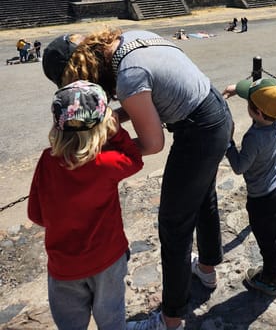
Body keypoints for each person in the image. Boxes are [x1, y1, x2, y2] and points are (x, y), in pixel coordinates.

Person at [42, 29, 233, 330]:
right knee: (203, 195)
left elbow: (153, 143)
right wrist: (114, 116)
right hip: (214, 112)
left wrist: (98, 157)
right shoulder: (130, 40)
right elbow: (147, 96)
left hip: (198, 132)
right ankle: (207, 269)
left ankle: (172, 317)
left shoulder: (129, 76)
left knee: (173, 224)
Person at [28, 80, 145, 330]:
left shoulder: (48, 161)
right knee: (112, 317)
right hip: (108, 258)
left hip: (64, 266)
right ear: (104, 124)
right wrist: (118, 134)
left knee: (70, 324)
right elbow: (136, 161)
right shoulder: (107, 163)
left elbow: (36, 215)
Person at [222, 77, 276, 296]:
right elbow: (266, 100)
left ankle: (269, 280)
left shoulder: (254, 137)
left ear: (259, 114)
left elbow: (239, 167)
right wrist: (236, 90)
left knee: (268, 241)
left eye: (249, 103)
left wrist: (228, 140)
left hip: (262, 199)